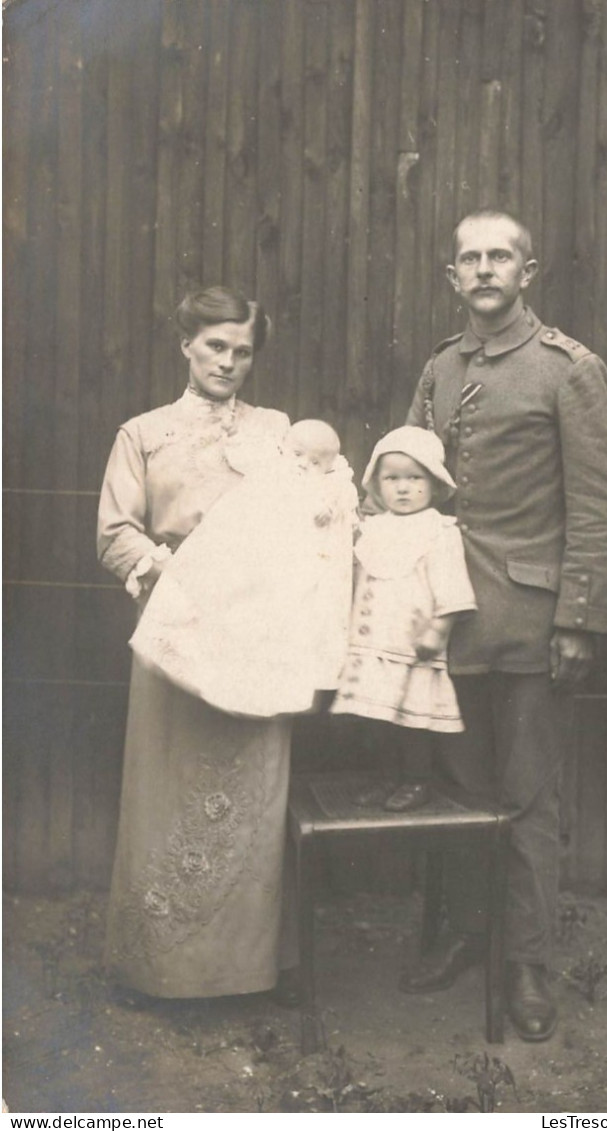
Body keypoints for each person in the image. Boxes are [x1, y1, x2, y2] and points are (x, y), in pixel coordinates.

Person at [400, 210, 607, 1040]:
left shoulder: (566, 370)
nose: (485, 269)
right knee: (456, 794)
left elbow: (600, 508)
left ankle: (526, 962)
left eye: (501, 256)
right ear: (451, 275)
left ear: (527, 273)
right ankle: (466, 933)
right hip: (447, 622)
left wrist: (578, 620)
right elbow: (410, 479)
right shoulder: (439, 368)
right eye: (471, 258)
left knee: (527, 798)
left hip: (531, 623)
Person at [97, 285, 302, 1003]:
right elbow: (115, 530)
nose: (229, 361)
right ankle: (163, 972)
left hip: (258, 633)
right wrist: (159, 565)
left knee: (253, 795)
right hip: (177, 625)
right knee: (168, 789)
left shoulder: (278, 431)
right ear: (185, 344)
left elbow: (310, 510)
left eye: (243, 351)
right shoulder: (143, 433)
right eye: (216, 345)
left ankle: (245, 976)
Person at [129, 418, 358, 717]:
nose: (303, 465)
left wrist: (327, 507)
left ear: (329, 467)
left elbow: (332, 510)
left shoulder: (329, 486)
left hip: (287, 568)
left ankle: (249, 690)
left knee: (267, 629)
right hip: (250, 554)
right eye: (297, 454)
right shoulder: (272, 469)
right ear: (284, 450)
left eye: (315, 462)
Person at [331, 426, 477, 811]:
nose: (403, 488)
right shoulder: (371, 529)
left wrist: (438, 629)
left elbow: (452, 586)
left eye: (415, 478)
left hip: (412, 645)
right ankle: (385, 777)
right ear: (377, 484)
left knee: (411, 720)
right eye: (392, 479)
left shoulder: (439, 531)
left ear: (433, 483)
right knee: (375, 718)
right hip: (371, 641)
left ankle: (416, 780)